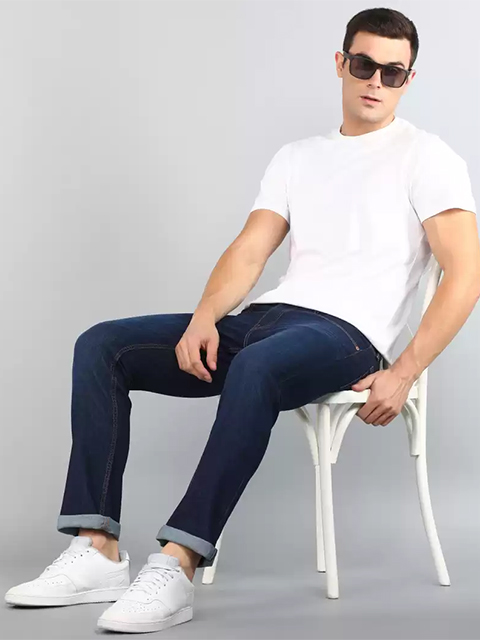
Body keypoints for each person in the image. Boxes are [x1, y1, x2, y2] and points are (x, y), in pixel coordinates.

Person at [5, 6, 479, 635]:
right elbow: (251, 250)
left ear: (408, 80)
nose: (376, 81)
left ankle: (178, 562)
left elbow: (465, 274)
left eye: (393, 73)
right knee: (102, 346)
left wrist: (406, 369)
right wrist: (206, 316)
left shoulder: (427, 157)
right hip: (267, 319)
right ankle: (97, 550)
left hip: (348, 336)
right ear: (341, 63)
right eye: (364, 65)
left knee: (257, 365)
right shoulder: (298, 157)